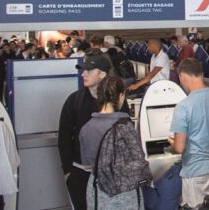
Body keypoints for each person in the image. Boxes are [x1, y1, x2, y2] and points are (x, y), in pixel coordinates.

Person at [168, 59, 209, 209]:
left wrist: (172, 142)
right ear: (201, 74)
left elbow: (179, 148)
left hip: (196, 172)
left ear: (182, 76)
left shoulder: (183, 106)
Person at [80, 76, 147, 209]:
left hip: (97, 192)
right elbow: (137, 162)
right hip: (125, 192)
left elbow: (87, 164)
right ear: (121, 96)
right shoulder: (126, 127)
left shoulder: (86, 128)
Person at [58, 55, 111, 210]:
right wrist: (68, 170)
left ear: (102, 74)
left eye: (89, 71)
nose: (83, 74)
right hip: (79, 173)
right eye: (83, 71)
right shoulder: (74, 100)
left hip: (108, 174)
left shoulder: (115, 101)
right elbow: (64, 136)